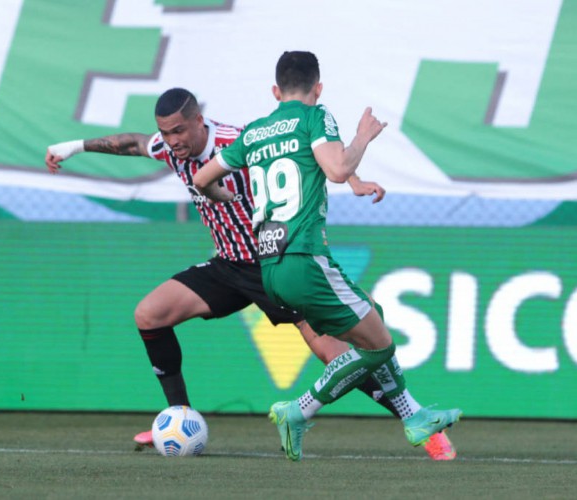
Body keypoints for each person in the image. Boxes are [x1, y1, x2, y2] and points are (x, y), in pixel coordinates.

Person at [46, 87, 456, 460]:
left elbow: (305, 156)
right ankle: (178, 418)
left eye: (177, 131)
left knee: (338, 353)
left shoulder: (238, 141)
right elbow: (133, 144)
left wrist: (355, 179)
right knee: (148, 315)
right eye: (165, 133)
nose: (171, 141)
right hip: (228, 265)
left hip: (273, 262)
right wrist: (72, 146)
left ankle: (416, 421)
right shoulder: (171, 150)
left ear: (197, 121)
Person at [192, 52, 461, 462]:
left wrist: (221, 196)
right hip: (305, 258)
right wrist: (363, 137)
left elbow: (200, 179)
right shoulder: (316, 116)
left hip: (271, 268)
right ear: (318, 88)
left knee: (374, 313)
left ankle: (414, 417)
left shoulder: (253, 133)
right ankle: (298, 410)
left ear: (275, 91)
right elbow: (334, 168)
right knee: (380, 347)